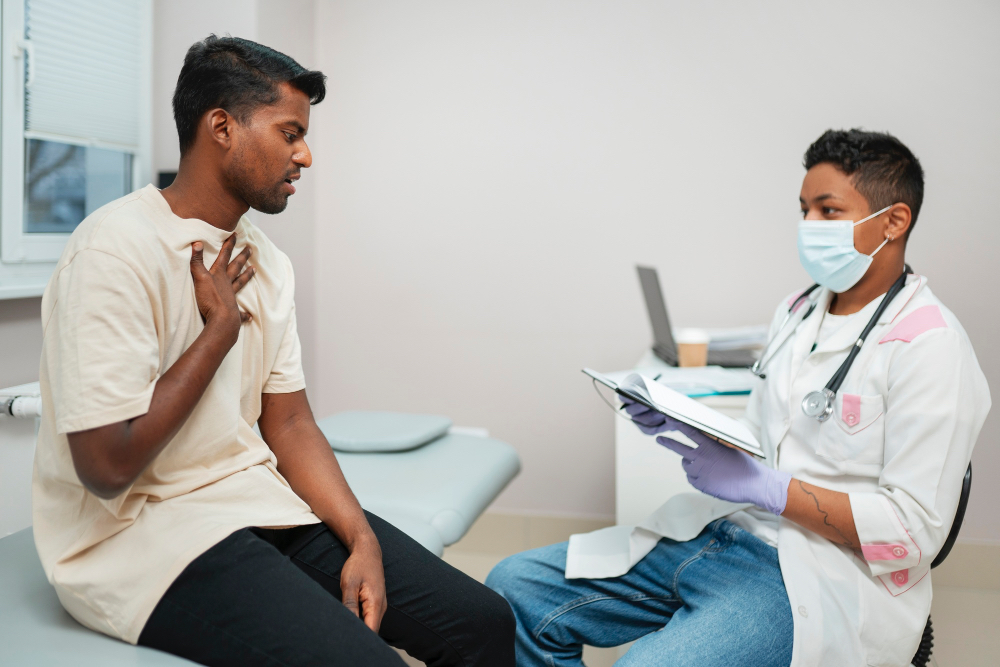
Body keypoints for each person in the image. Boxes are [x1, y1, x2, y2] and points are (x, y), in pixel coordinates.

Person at [33, 35, 514, 667]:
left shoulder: (266, 260)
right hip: (143, 538)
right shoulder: (114, 250)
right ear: (222, 127)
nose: (306, 156)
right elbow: (105, 467)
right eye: (290, 133)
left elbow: (288, 421)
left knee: (481, 622)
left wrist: (360, 538)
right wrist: (216, 336)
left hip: (255, 502)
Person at [486, 129, 991, 666]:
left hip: (816, 577)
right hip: (729, 532)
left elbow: (913, 537)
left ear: (894, 221)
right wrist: (682, 424)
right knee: (513, 589)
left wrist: (770, 488)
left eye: (828, 210)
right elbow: (762, 440)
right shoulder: (797, 310)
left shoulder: (931, 347)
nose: (808, 227)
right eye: (804, 210)